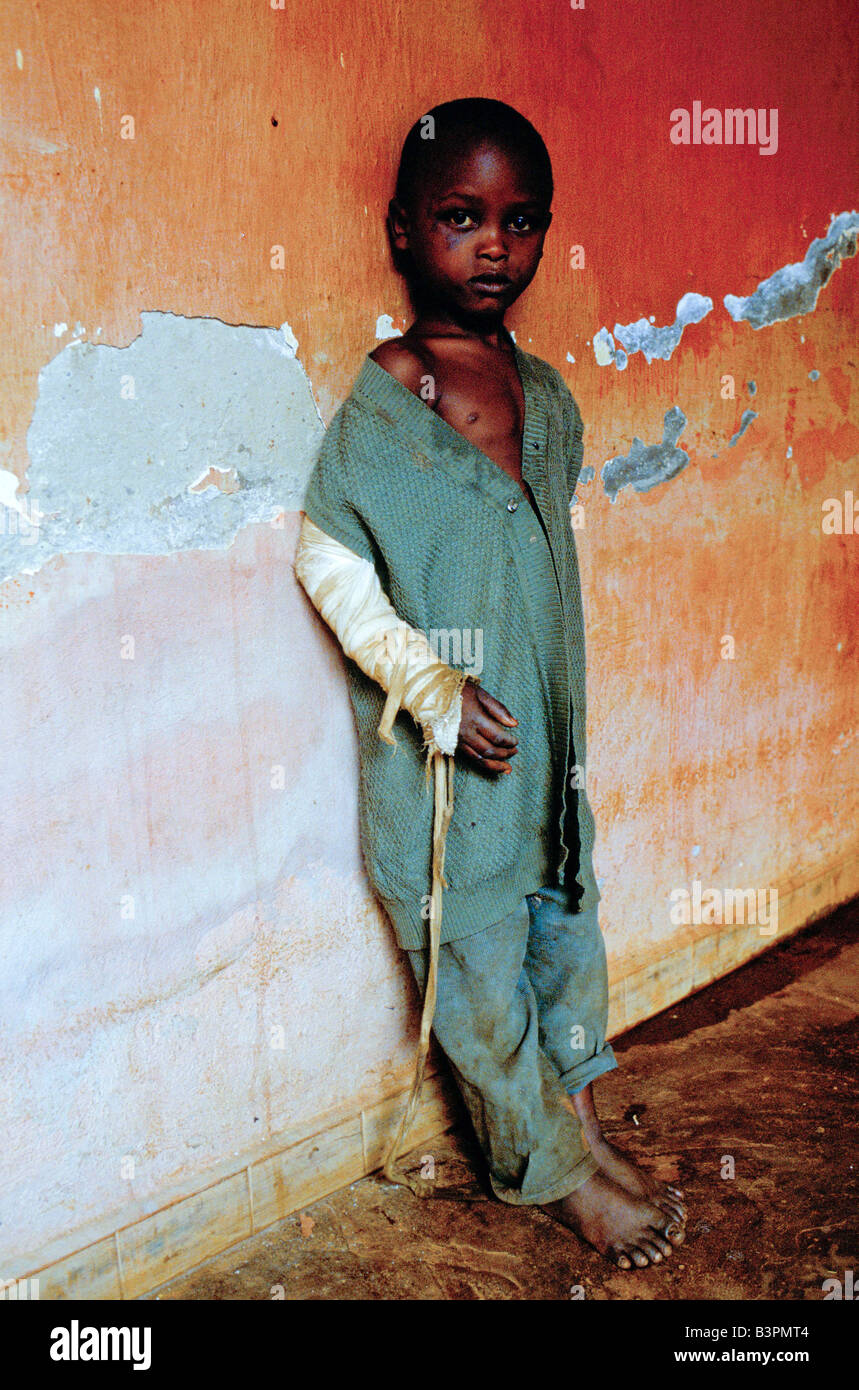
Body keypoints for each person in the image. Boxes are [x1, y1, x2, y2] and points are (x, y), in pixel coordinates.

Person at [294, 98, 687, 1269]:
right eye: (460, 217)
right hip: (452, 781)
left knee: (567, 935)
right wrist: (428, 685)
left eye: (520, 221)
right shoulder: (397, 386)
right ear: (403, 230)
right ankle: (545, 1170)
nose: (493, 246)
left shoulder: (547, 396)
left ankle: (574, 1118)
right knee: (476, 976)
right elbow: (328, 554)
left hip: (544, 763)